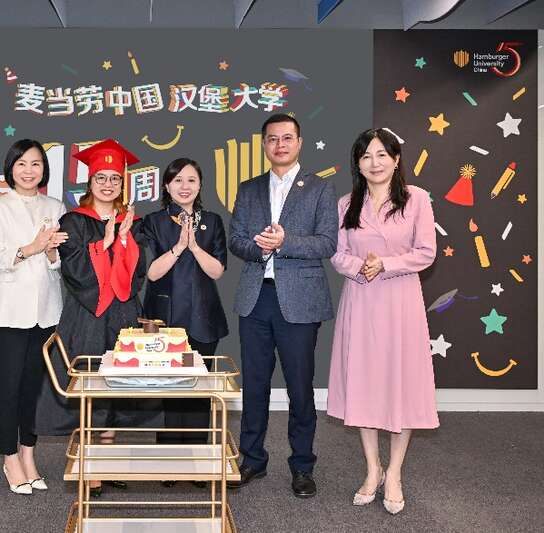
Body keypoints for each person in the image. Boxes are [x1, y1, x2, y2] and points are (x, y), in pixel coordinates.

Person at [35, 139, 160, 497]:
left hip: (123, 312)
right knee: (91, 389)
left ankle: (106, 461)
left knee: (118, 389)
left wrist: (124, 241)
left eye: (115, 179)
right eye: (101, 178)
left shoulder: (132, 222)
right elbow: (74, 272)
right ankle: (90, 468)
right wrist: (103, 244)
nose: (108, 184)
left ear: (123, 183)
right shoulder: (73, 221)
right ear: (90, 182)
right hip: (88, 314)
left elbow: (138, 272)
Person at [328, 128, 438, 515]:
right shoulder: (346, 204)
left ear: (395, 159)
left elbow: (426, 252)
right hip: (361, 300)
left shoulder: (416, 198)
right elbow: (337, 254)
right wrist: (361, 267)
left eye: (380, 155)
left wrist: (386, 264)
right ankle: (372, 469)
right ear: (357, 164)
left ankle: (395, 473)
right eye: (365, 157)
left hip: (401, 301)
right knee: (364, 382)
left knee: (401, 383)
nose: (373, 163)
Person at [227, 114, 337, 498]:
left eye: (287, 138)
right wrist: (259, 248)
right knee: (254, 384)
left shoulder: (320, 189)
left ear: (299, 143)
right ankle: (252, 459)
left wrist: (285, 242)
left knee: (300, 387)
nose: (280, 145)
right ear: (264, 144)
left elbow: (327, 243)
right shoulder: (249, 189)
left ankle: (302, 465)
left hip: (300, 301)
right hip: (256, 298)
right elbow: (236, 240)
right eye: (272, 139)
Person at [0, 139, 68, 495]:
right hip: (11, 312)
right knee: (10, 387)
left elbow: (59, 265)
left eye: (35, 164)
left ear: (43, 169)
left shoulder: (56, 206)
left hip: (47, 311)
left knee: (35, 388)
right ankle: (10, 457)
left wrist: (50, 253)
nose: (29, 170)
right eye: (21, 164)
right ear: (11, 168)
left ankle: (29, 455)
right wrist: (33, 247)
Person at [141, 158, 228, 489]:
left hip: (203, 316)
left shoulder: (213, 221)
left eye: (191, 180)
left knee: (199, 392)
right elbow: (151, 273)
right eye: (177, 180)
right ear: (166, 185)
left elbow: (217, 270)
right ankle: (169, 463)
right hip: (164, 318)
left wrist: (194, 246)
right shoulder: (153, 222)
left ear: (200, 184)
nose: (184, 186)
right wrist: (179, 247)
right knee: (169, 391)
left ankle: (197, 462)